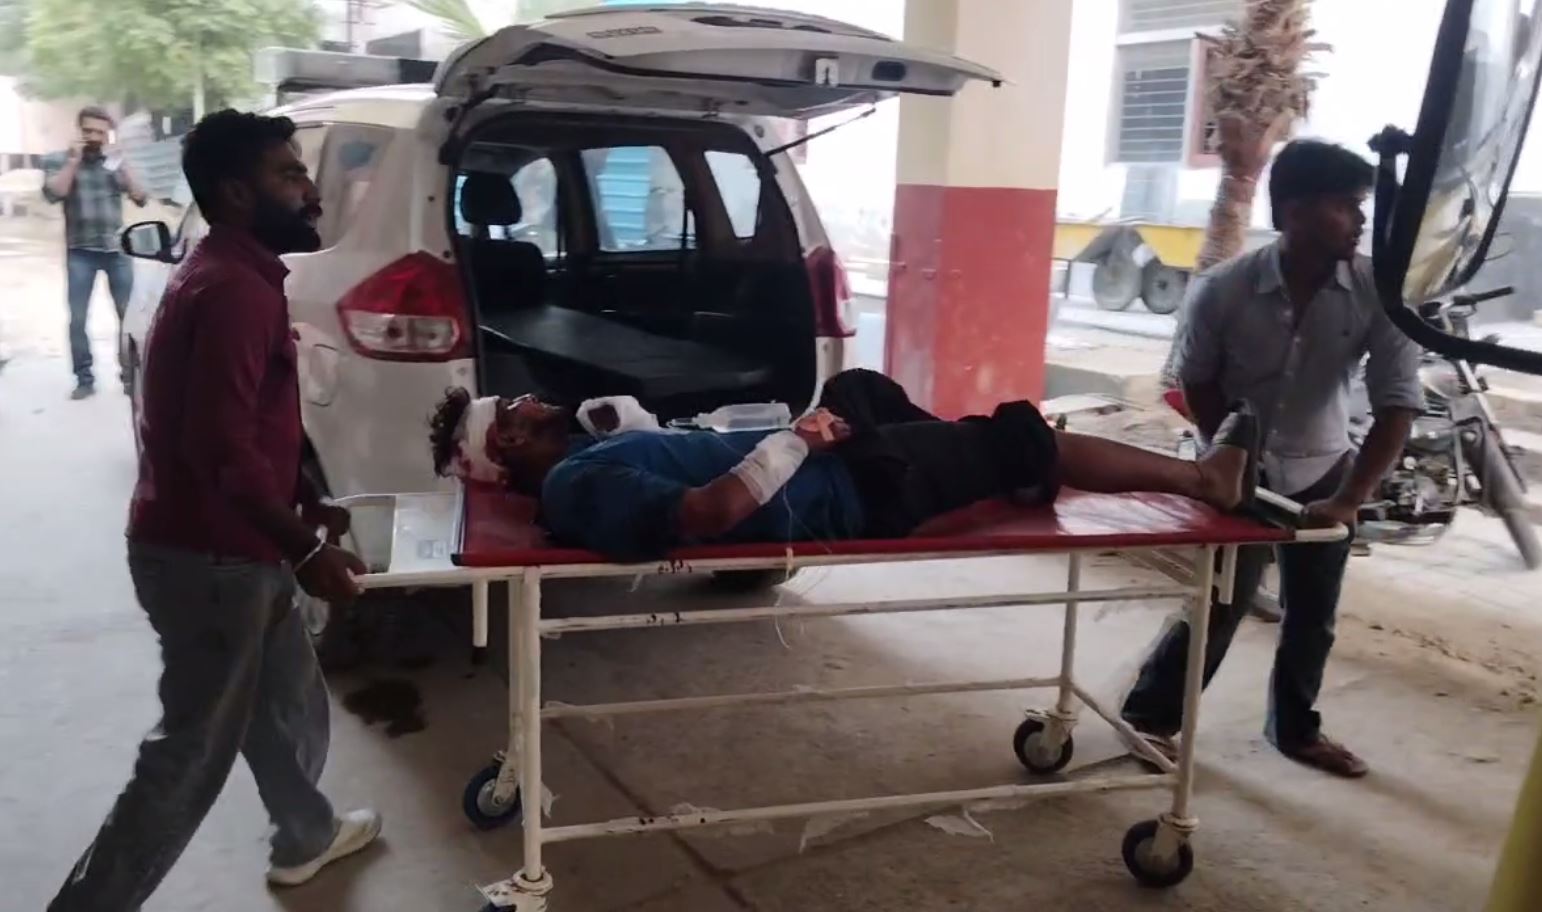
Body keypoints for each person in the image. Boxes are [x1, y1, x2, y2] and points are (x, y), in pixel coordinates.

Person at [50, 110, 379, 911]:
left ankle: (305, 834)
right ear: (236, 193)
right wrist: (306, 549)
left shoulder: (231, 272)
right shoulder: (233, 290)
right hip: (211, 561)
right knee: (190, 755)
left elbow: (240, 427)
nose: (310, 191)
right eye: (289, 175)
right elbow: (220, 448)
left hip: (232, 549)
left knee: (288, 704)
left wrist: (304, 501)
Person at [1120, 140, 1424, 779]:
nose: (1361, 220)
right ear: (1294, 211)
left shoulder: (1378, 292)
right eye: (1346, 205)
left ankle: (1294, 730)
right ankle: (1149, 718)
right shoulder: (1223, 289)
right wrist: (1228, 461)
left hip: (1327, 469)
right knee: (1219, 603)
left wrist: (1349, 499)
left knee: (1313, 616)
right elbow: (1197, 381)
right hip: (1237, 473)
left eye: (1361, 206)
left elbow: (1397, 405)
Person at [426, 369, 1260, 563]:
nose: (530, 399)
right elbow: (708, 515)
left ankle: (958, 458)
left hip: (829, 464)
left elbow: (674, 456)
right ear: (507, 444)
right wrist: (799, 443)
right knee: (1021, 432)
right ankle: (1202, 479)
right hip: (846, 488)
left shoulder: (584, 456)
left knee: (860, 386)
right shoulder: (577, 484)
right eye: (516, 406)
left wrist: (630, 424)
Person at [42, 106, 149, 400]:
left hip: (117, 252)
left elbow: (141, 197)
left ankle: (129, 376)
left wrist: (123, 163)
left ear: (107, 135)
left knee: (127, 317)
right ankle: (84, 379)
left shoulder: (113, 163)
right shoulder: (59, 160)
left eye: (100, 132)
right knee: (78, 319)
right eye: (88, 130)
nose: (94, 137)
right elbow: (54, 194)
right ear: (78, 130)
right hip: (80, 252)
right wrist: (73, 162)